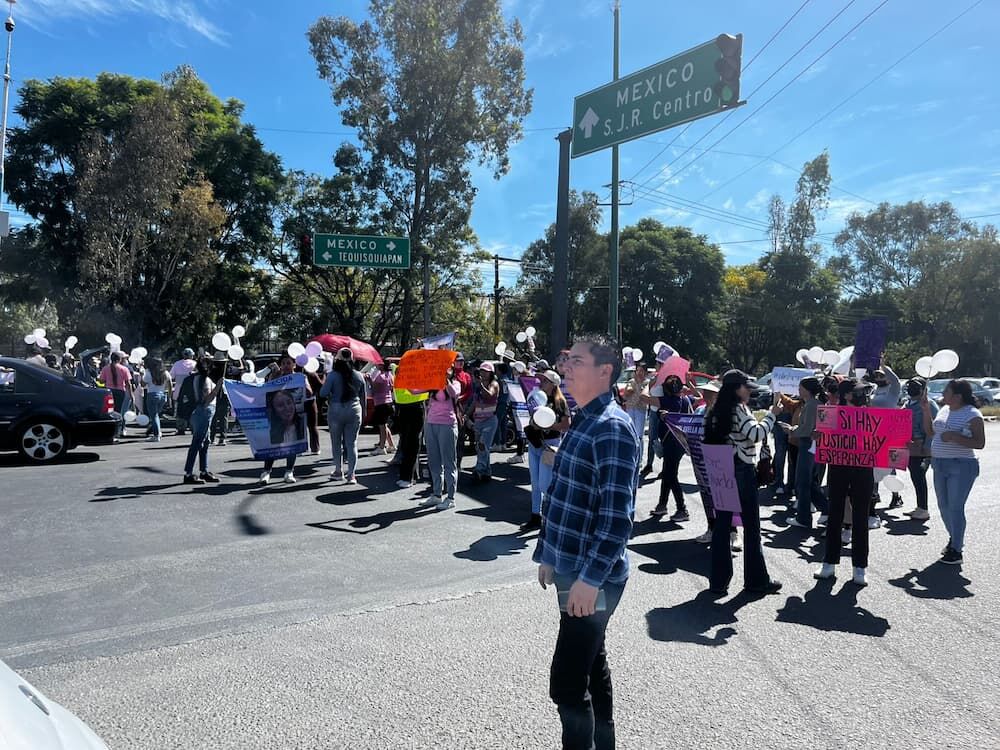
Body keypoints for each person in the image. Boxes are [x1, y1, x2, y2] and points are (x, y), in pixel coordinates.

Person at [532, 333, 638, 750]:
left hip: (592, 576)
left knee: (567, 683)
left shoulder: (612, 427)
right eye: (567, 360)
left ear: (605, 371)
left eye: (576, 361)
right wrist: (548, 554)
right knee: (592, 665)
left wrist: (590, 580)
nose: (566, 368)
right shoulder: (584, 417)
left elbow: (617, 519)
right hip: (571, 567)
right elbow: (562, 494)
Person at [704, 369, 783, 596]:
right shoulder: (738, 409)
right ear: (736, 389)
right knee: (752, 526)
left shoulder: (714, 410)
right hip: (741, 468)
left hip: (721, 469)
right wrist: (772, 415)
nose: (749, 392)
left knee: (722, 526)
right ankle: (756, 580)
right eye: (746, 387)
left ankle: (718, 581)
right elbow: (755, 434)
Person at [814, 378, 879, 586]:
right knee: (835, 514)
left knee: (861, 516)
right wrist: (818, 436)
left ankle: (860, 566)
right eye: (857, 392)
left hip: (863, 468)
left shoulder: (871, 414)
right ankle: (829, 562)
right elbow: (821, 440)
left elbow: (883, 439)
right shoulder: (830, 414)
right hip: (838, 467)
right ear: (847, 395)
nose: (862, 395)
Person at [924, 379, 985, 565]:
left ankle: (956, 550)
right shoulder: (944, 410)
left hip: (961, 465)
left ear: (957, 396)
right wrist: (925, 410)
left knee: (955, 508)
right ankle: (955, 539)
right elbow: (931, 432)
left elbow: (979, 443)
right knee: (943, 506)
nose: (943, 394)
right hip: (939, 464)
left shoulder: (973, 415)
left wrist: (954, 437)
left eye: (946, 391)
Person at [522, 369, 571, 532]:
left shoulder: (559, 402)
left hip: (550, 445)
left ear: (553, 384)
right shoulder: (537, 397)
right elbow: (533, 416)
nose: (540, 383)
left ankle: (551, 515)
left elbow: (566, 425)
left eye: (544, 381)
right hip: (535, 442)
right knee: (535, 482)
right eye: (541, 380)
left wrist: (548, 425)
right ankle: (535, 515)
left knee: (544, 483)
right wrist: (534, 422)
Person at [784, 376, 830, 529]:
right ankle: (827, 510)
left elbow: (807, 429)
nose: (798, 389)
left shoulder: (811, 405)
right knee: (810, 483)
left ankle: (803, 518)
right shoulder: (814, 403)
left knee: (803, 482)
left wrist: (791, 430)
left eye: (800, 387)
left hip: (808, 445)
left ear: (807, 389)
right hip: (812, 446)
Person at [418, 360, 462, 510]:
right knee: (434, 461)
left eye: (447, 369)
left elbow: (454, 393)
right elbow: (413, 391)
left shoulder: (455, 383)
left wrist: (445, 379)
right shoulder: (432, 384)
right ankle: (437, 495)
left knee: (449, 462)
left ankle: (451, 498)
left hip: (447, 425)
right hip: (431, 424)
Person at [649, 374, 693, 521]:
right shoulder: (685, 400)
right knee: (668, 473)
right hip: (679, 443)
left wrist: (649, 385)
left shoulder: (666, 400)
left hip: (671, 443)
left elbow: (644, 398)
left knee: (670, 475)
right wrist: (689, 385)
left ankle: (682, 509)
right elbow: (698, 396)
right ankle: (662, 504)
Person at [321, 348, 367, 484]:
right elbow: (363, 397)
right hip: (354, 410)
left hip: (336, 410)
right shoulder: (359, 375)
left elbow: (323, 393)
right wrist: (364, 413)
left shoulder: (332, 375)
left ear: (337, 360)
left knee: (336, 443)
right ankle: (351, 475)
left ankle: (338, 471)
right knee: (352, 444)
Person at [182, 356, 223, 484]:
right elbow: (206, 400)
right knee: (198, 442)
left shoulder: (194, 379)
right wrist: (218, 386)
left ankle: (204, 471)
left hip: (198, 412)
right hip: (203, 412)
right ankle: (188, 473)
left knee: (205, 442)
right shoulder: (204, 380)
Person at [901, 377, 937, 520]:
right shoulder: (907, 404)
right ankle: (920, 507)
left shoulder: (929, 405)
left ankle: (924, 509)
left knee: (919, 475)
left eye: (915, 386)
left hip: (922, 447)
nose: (911, 389)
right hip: (909, 447)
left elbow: (933, 428)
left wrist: (927, 447)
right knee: (915, 476)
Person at [468, 361, 500, 481]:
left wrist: (481, 385)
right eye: (482, 371)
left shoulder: (494, 384)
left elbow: (489, 395)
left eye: (486, 371)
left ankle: (479, 469)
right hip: (478, 420)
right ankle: (487, 471)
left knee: (482, 445)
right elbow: (474, 403)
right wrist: (466, 415)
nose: (483, 373)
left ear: (491, 373)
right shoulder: (477, 386)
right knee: (481, 447)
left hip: (489, 420)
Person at [621, 362, 650, 470]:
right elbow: (625, 396)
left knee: (639, 436)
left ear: (645, 372)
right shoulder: (631, 381)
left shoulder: (647, 383)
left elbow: (647, 396)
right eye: (638, 370)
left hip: (640, 410)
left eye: (641, 371)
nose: (639, 373)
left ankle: (639, 460)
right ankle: (630, 457)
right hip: (630, 409)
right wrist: (628, 392)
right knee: (630, 434)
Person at [101, 351, 135, 439]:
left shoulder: (105, 368)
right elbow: (128, 383)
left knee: (109, 411)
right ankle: (117, 431)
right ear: (119, 359)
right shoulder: (124, 369)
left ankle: (109, 431)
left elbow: (102, 380)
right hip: (120, 392)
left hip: (109, 391)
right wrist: (131, 394)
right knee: (118, 412)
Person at [368, 361, 396, 455]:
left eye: (379, 364)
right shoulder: (390, 375)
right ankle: (391, 445)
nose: (377, 365)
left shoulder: (381, 377)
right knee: (384, 425)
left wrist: (370, 381)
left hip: (381, 403)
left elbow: (375, 389)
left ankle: (381, 447)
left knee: (382, 426)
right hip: (388, 402)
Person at [143, 357, 173, 443]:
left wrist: (142, 376)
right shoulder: (165, 372)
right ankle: (157, 431)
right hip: (162, 395)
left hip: (152, 395)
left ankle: (156, 435)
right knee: (157, 415)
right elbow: (170, 384)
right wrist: (169, 396)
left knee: (154, 416)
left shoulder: (149, 372)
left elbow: (142, 384)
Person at [170, 348, 198, 436]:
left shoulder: (177, 364)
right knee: (193, 409)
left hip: (179, 390)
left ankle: (181, 428)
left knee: (180, 410)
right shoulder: (195, 364)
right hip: (192, 390)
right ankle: (193, 427)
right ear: (191, 355)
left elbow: (171, 376)